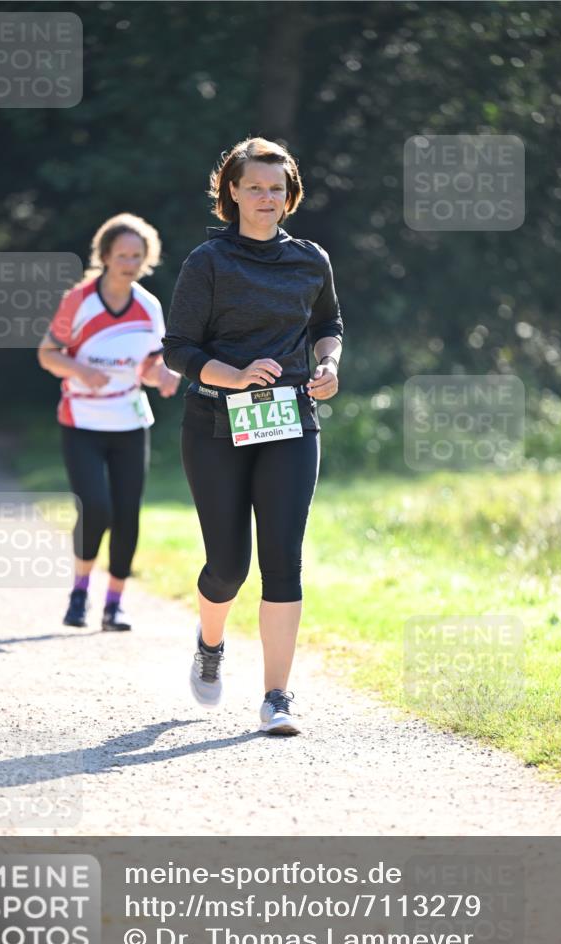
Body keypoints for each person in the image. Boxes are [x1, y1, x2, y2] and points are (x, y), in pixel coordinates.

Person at [162, 137, 342, 735]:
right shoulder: (207, 263)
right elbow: (181, 349)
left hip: (290, 421)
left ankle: (277, 698)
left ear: (291, 196)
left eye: (278, 188)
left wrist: (327, 364)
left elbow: (327, 323)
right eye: (256, 187)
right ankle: (210, 644)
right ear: (232, 192)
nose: (268, 198)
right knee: (228, 567)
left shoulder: (311, 259)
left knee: (283, 562)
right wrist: (235, 376)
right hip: (214, 424)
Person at [38, 212, 180, 631]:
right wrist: (81, 371)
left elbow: (151, 365)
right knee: (95, 508)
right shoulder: (78, 301)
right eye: (122, 255)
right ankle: (80, 592)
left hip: (130, 421)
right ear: (104, 256)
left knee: (127, 514)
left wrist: (163, 376)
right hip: (82, 419)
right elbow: (48, 353)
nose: (129, 263)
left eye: (137, 256)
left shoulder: (148, 305)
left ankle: (114, 603)